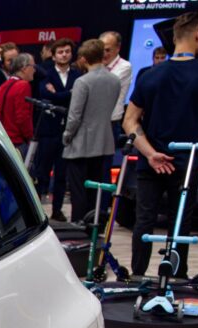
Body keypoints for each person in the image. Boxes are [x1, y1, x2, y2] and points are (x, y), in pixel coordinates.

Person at [123, 11, 198, 278]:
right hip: (185, 161)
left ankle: (137, 276)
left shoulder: (149, 75)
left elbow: (129, 121)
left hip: (150, 160)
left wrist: (151, 153)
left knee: (143, 221)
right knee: (179, 223)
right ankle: (175, 278)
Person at [62, 38, 121, 223]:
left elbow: (75, 116)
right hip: (104, 141)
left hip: (81, 144)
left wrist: (66, 136)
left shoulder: (82, 82)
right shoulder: (114, 80)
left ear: (84, 58)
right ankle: (96, 225)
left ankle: (79, 227)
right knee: (98, 189)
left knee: (78, 190)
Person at [35, 38, 80, 221]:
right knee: (41, 173)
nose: (64, 55)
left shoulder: (77, 75)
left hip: (68, 131)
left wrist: (59, 95)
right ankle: (37, 211)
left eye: (67, 51)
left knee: (61, 175)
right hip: (48, 130)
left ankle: (57, 210)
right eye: (60, 52)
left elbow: (75, 97)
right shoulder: (45, 75)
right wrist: (67, 95)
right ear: (53, 56)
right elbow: (45, 95)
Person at [0, 53, 35, 155]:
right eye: (33, 66)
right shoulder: (23, 86)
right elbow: (23, 118)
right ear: (24, 68)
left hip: (2, 141)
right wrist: (30, 137)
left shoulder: (2, 87)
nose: (34, 70)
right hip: (17, 143)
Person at [100, 31, 132, 141]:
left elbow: (104, 87)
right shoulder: (98, 65)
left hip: (110, 122)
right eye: (101, 49)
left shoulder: (125, 66)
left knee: (106, 158)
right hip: (94, 120)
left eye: (108, 50)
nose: (103, 53)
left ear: (118, 48)